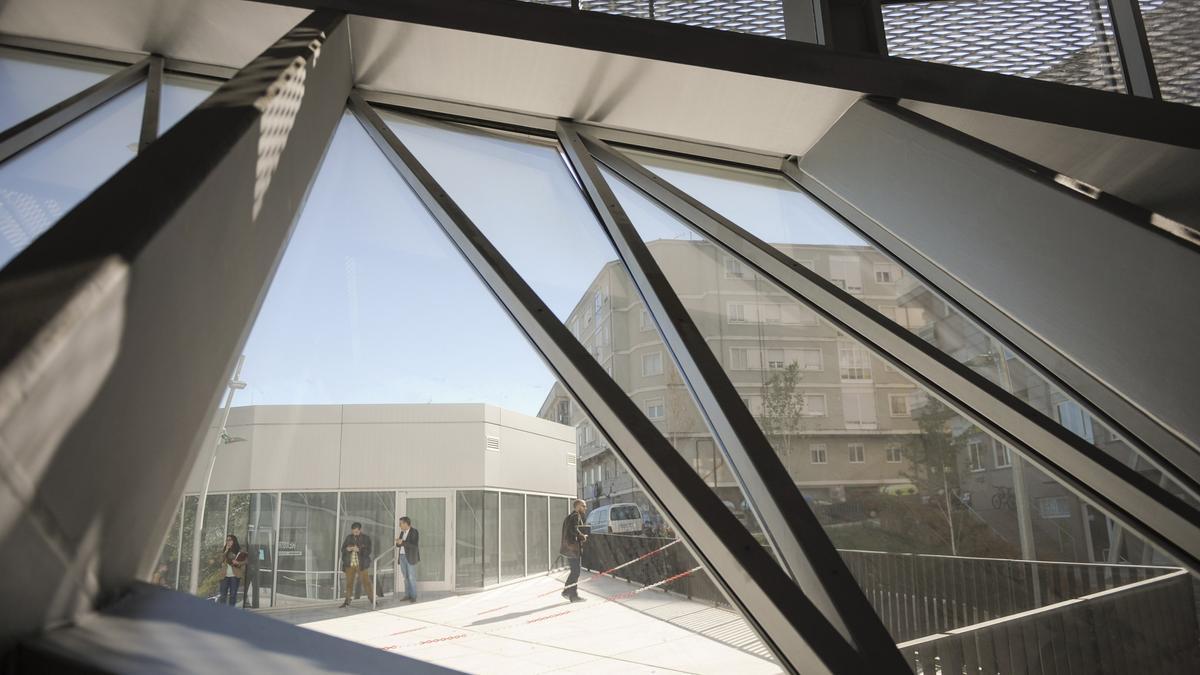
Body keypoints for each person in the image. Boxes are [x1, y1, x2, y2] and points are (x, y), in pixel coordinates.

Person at [340, 522, 374, 608]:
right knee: (349, 584)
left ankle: (372, 600)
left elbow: (368, 551)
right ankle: (347, 601)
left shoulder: (366, 538)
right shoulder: (349, 537)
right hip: (350, 564)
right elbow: (342, 549)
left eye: (356, 532)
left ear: (360, 530)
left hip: (361, 564)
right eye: (353, 531)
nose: (354, 533)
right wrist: (349, 548)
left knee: (367, 583)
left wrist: (359, 550)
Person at [560, 499, 588, 602]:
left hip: (569, 549)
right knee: (576, 572)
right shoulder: (575, 516)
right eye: (583, 506)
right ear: (578, 507)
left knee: (574, 571)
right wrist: (582, 537)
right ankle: (573, 595)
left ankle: (568, 592)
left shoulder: (570, 517)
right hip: (573, 549)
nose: (585, 508)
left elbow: (571, 531)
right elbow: (573, 530)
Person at [395, 516, 420, 603]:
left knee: (411, 577)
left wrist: (402, 542)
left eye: (401, 523)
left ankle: (413, 596)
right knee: (405, 577)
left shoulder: (414, 532)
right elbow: (399, 545)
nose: (399, 525)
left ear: (406, 523)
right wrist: (398, 542)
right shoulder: (402, 532)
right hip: (402, 556)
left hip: (410, 557)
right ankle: (407, 595)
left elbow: (414, 546)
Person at [217, 534, 246, 606]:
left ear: (234, 541)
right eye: (227, 540)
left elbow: (246, 561)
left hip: (235, 575)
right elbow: (220, 561)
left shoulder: (239, 550)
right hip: (224, 575)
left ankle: (231, 611)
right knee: (223, 595)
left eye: (230, 540)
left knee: (233, 595)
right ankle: (222, 611)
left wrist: (238, 562)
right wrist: (226, 551)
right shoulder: (224, 550)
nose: (228, 541)